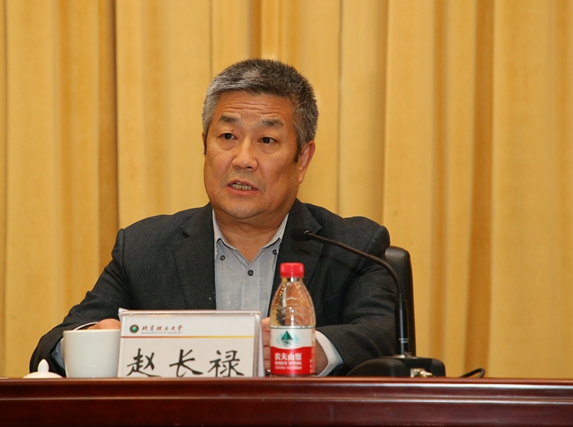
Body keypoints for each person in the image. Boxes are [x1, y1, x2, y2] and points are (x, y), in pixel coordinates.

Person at [30, 59, 397, 377]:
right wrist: (95, 339)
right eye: (227, 136)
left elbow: (386, 335)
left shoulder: (351, 247)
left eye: (267, 141)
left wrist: (314, 348)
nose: (243, 159)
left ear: (302, 159)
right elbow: (51, 347)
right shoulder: (144, 248)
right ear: (205, 144)